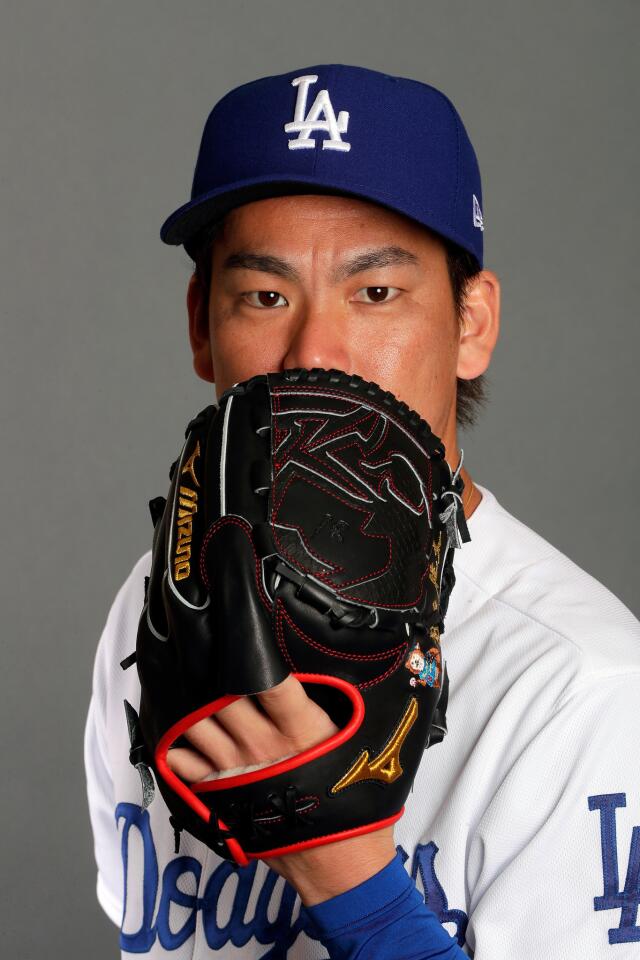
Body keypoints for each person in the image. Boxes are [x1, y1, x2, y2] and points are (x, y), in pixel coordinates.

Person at [85, 64, 640, 959]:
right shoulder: (161, 602)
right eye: (265, 296)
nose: (314, 352)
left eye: (376, 293)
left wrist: (357, 892)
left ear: (471, 325)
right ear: (202, 324)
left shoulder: (587, 691)